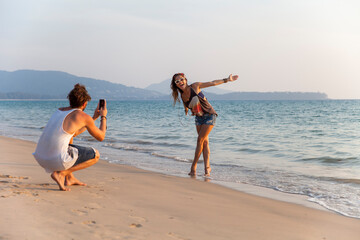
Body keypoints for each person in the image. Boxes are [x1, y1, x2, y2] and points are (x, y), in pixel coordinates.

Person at [33, 84, 107, 191]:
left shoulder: (60, 110)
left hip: (41, 157)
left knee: (69, 138)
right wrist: (103, 116)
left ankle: (70, 178)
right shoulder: (82, 116)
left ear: (70, 100)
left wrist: (94, 118)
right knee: (96, 155)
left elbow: (74, 133)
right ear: (85, 103)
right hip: (55, 160)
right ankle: (61, 174)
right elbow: (101, 136)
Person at [171, 73, 239, 177]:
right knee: (205, 142)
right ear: (175, 84)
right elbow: (187, 103)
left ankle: (193, 167)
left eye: (181, 79)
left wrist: (227, 80)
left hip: (209, 115)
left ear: (185, 79)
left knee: (200, 140)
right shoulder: (182, 95)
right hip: (199, 118)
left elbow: (212, 83)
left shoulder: (195, 86)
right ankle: (207, 169)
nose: (180, 82)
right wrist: (186, 109)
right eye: (177, 81)